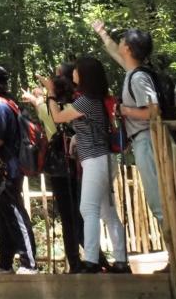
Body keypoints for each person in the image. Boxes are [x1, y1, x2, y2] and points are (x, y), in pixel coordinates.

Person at [42, 56, 130, 273]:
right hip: (105, 159)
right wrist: (76, 138)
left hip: (95, 160)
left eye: (77, 70)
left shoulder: (86, 101)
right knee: (108, 212)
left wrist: (51, 93)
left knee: (87, 208)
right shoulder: (97, 99)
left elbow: (58, 117)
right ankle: (121, 260)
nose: (73, 73)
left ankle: (90, 261)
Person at [91, 20, 163, 224]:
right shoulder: (134, 71)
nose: (119, 42)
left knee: (158, 202)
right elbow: (114, 52)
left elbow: (153, 110)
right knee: (157, 200)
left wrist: (125, 110)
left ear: (128, 48)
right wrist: (102, 33)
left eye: (122, 40)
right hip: (143, 141)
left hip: (146, 141)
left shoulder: (138, 78)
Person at [23, 63, 84, 273]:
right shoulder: (76, 105)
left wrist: (39, 96)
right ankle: (92, 259)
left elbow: (41, 107)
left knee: (68, 216)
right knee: (80, 212)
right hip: (80, 164)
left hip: (59, 166)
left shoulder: (48, 108)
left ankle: (75, 262)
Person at [0, 65, 38, 274]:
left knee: (15, 213)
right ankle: (5, 263)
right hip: (7, 168)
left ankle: (29, 262)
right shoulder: (10, 103)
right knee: (4, 216)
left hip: (7, 168)